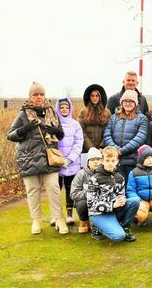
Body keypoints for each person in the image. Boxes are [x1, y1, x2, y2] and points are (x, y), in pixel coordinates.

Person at [7, 82, 68, 235]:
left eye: (41, 94)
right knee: (33, 190)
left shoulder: (52, 112)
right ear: (30, 97)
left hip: (49, 158)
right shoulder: (23, 114)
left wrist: (56, 131)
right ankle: (36, 220)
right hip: (29, 159)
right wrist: (24, 129)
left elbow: (60, 134)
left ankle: (59, 219)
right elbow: (11, 135)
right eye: (35, 95)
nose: (39, 97)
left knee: (54, 189)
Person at [87, 146, 140, 242]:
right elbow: (91, 205)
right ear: (102, 161)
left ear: (117, 161)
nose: (110, 163)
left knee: (135, 201)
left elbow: (121, 194)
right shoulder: (94, 179)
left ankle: (125, 227)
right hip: (99, 214)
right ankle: (97, 226)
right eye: (107, 160)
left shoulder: (120, 177)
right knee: (118, 237)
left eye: (112, 160)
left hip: (114, 211)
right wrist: (112, 205)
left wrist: (122, 199)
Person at [103, 90, 149, 182]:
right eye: (125, 101)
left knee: (131, 189)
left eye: (131, 101)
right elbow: (107, 134)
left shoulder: (142, 118)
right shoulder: (114, 117)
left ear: (135, 103)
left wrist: (122, 151)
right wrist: (115, 149)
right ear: (122, 102)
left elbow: (140, 137)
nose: (128, 103)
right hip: (115, 160)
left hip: (133, 161)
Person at [55, 97, 84, 226]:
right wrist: (58, 159)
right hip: (56, 162)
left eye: (66, 107)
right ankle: (56, 215)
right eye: (62, 107)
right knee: (56, 188)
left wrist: (69, 158)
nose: (64, 109)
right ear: (58, 109)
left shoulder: (75, 124)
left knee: (69, 188)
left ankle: (69, 214)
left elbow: (78, 142)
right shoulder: (54, 123)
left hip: (72, 162)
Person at [70, 147, 103, 234]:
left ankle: (102, 223)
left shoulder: (106, 173)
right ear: (88, 162)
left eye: (98, 159)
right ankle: (84, 222)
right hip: (86, 200)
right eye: (92, 160)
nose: (96, 162)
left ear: (102, 161)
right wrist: (89, 193)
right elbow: (73, 194)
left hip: (102, 200)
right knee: (81, 203)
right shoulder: (81, 174)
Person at [78, 84, 111, 154]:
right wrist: (91, 148)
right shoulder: (83, 112)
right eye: (92, 96)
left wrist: (102, 147)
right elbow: (80, 131)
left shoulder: (107, 112)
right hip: (87, 150)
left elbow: (109, 130)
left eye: (97, 96)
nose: (95, 98)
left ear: (100, 97)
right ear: (89, 97)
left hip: (103, 150)